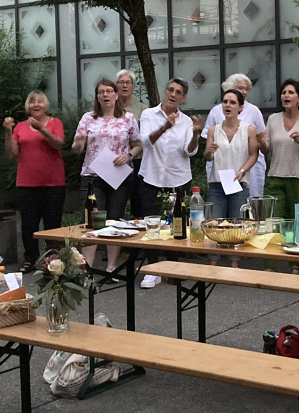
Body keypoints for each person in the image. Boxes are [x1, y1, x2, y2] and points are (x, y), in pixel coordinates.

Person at [139, 78, 205, 288]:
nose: (173, 94)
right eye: (171, 90)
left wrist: (196, 133)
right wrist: (165, 126)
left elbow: (190, 151)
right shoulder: (148, 114)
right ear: (164, 91)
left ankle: (172, 267)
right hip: (151, 176)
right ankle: (152, 269)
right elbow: (146, 141)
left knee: (176, 223)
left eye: (178, 92)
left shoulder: (186, 121)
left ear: (183, 98)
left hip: (178, 178)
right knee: (152, 222)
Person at [72, 79, 142, 273]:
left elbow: (138, 144)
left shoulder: (128, 118)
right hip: (92, 176)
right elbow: (77, 148)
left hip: (119, 176)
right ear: (97, 97)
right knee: (90, 220)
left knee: (114, 220)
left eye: (109, 91)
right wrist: (78, 143)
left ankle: (111, 267)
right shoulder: (88, 118)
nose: (105, 95)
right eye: (101, 92)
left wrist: (128, 155)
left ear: (116, 95)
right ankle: (87, 268)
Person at [260, 80, 299, 273]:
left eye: (291, 92)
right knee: (271, 223)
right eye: (283, 92)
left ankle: (296, 265)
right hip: (275, 177)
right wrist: (260, 142)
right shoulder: (273, 119)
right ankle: (270, 266)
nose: (286, 95)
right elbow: (266, 149)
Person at [4, 90, 65, 274]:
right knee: (28, 225)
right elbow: (12, 154)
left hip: (53, 183)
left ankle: (53, 260)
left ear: (46, 105)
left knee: (52, 225)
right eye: (32, 102)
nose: (36, 105)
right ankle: (30, 258)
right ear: (27, 106)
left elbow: (58, 144)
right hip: (27, 184)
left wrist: (42, 129)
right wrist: (8, 132)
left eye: (40, 101)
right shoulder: (20, 127)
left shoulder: (55, 123)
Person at [205, 89, 260, 268]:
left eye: (232, 102)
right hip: (217, 183)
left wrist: (242, 170)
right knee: (214, 225)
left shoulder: (248, 129)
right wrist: (209, 151)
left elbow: (254, 154)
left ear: (240, 107)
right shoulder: (214, 130)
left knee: (237, 226)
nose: (227, 105)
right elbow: (207, 157)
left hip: (238, 182)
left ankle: (234, 264)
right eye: (225, 102)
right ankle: (213, 264)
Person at [201, 73, 267, 197]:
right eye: (241, 88)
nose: (244, 91)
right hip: (221, 169)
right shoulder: (216, 111)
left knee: (248, 202)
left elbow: (261, 137)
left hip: (246, 169)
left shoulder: (254, 111)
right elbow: (208, 143)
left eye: (247, 89)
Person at [116, 68, 151, 217]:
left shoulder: (143, 109)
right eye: (121, 82)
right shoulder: (110, 107)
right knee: (116, 204)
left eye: (128, 83)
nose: (124, 86)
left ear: (133, 86)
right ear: (116, 86)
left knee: (138, 203)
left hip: (137, 161)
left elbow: (145, 137)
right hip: (115, 162)